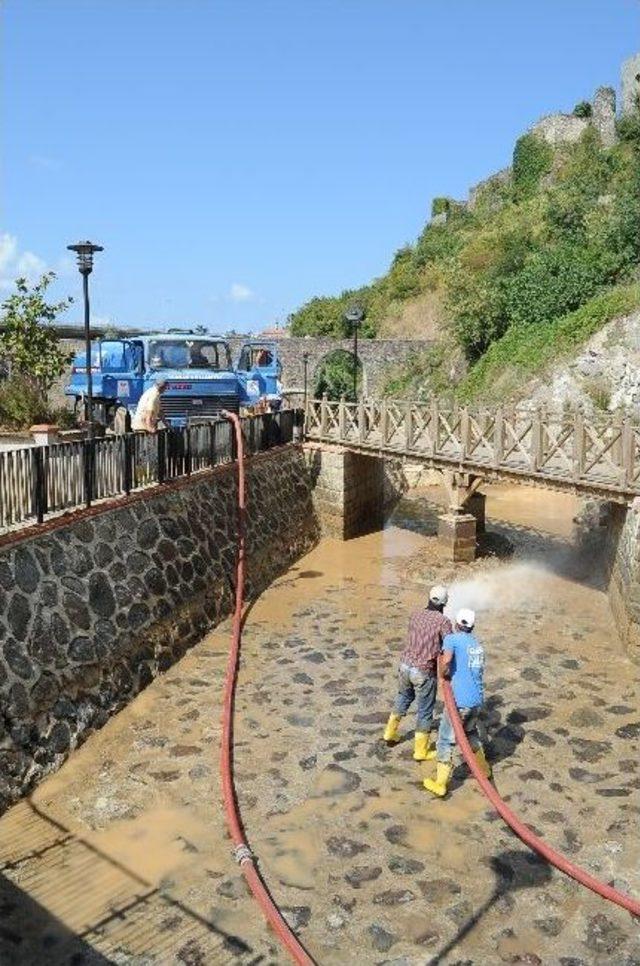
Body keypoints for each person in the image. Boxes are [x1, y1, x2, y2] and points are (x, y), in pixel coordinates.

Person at [424, 608, 491, 798]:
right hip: (476, 701)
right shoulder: (477, 645)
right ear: (472, 626)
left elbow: (446, 663)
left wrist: (443, 672)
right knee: (469, 733)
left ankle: (440, 783)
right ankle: (484, 770)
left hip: (458, 702)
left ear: (456, 624)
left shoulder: (452, 640)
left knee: (445, 739)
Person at [382, 585, 453, 761]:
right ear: (444, 603)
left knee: (403, 697)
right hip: (423, 671)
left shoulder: (415, 614)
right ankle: (421, 751)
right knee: (425, 710)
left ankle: (389, 734)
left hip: (405, 666)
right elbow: (449, 645)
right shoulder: (443, 621)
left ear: (429, 598)